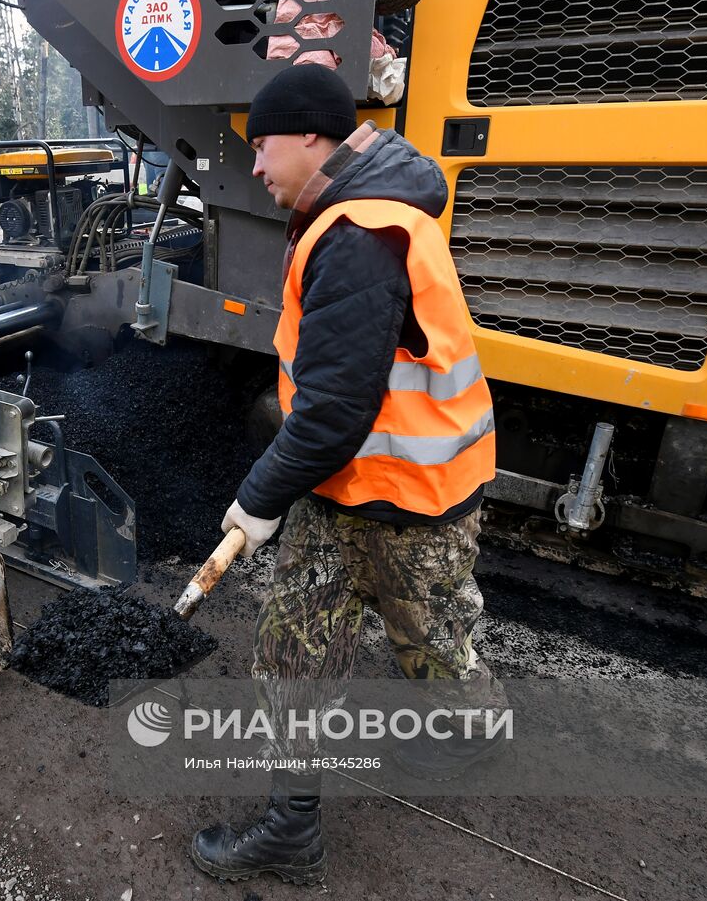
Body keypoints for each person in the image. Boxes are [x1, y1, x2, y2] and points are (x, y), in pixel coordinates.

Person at [190, 64, 506, 885]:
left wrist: (255, 501)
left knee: (433, 647)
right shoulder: (344, 216)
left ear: (308, 135)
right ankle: (293, 831)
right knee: (292, 648)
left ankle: (476, 731)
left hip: (415, 504)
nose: (255, 166)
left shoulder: (361, 233)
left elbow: (333, 410)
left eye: (262, 146)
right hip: (345, 492)